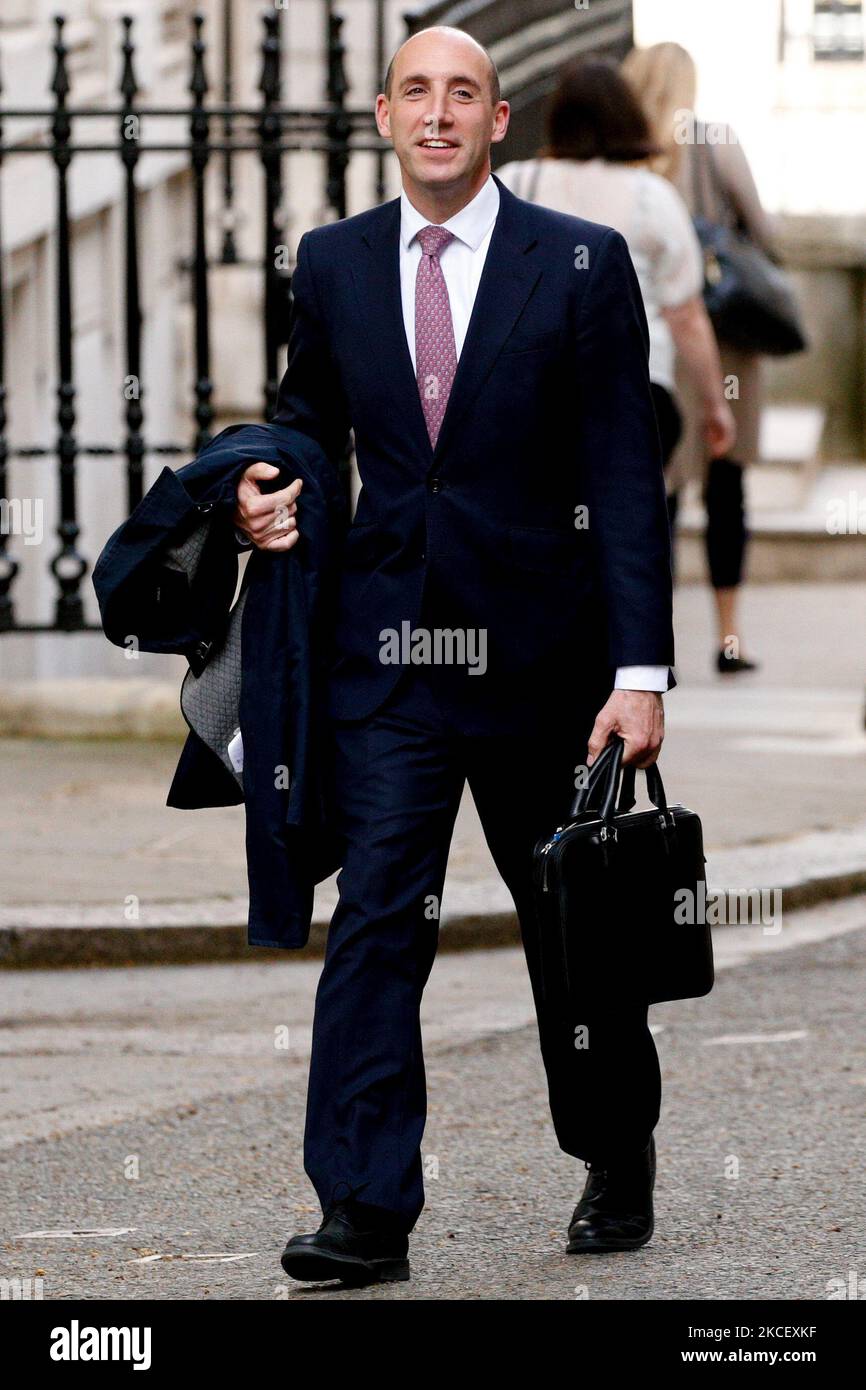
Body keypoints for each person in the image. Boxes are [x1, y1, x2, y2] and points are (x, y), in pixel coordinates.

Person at [234, 26, 676, 1283]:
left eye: (462, 94)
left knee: (569, 931)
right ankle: (364, 1209)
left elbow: (621, 480)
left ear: (497, 124)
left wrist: (638, 672)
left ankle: (613, 1143)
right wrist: (268, 491)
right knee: (376, 917)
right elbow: (312, 422)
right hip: (389, 661)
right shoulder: (328, 263)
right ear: (383, 115)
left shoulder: (579, 264)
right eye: (416, 91)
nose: (437, 113)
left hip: (544, 663)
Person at [497, 58, 735, 484]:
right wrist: (715, 405)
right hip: (635, 394)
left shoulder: (515, 183)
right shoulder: (652, 198)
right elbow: (687, 317)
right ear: (626, 118)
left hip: (533, 394)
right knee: (625, 531)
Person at [623, 41, 778, 674]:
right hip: (725, 341)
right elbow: (764, 232)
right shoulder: (714, 140)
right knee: (728, 489)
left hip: (657, 344)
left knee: (660, 496)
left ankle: (652, 643)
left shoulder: (625, 158)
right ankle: (728, 638)